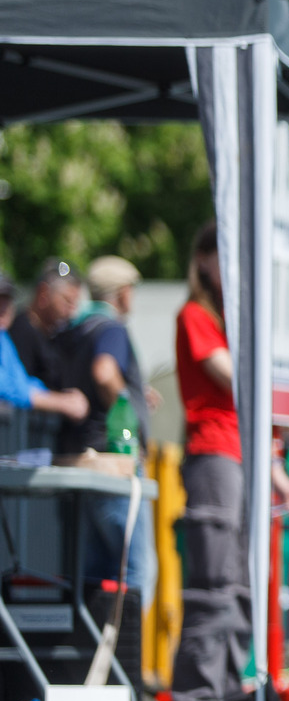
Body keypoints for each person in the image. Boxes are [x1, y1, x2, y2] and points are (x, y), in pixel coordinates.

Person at [171, 223, 289, 701]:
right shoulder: (195, 316)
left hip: (244, 457)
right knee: (213, 581)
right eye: (224, 258)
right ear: (203, 260)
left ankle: (224, 692)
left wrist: (275, 471)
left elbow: (251, 409)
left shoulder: (230, 320)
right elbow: (236, 380)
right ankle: (195, 698)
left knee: (244, 585)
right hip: (214, 457)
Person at [72, 257, 161, 601]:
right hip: (115, 463)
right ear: (122, 293)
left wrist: (136, 393)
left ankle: (93, 654)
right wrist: (128, 409)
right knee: (135, 571)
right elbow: (104, 372)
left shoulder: (76, 329)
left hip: (80, 462)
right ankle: (128, 655)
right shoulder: (111, 328)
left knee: (94, 574)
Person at [9, 259, 85, 450]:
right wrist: (62, 402)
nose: (72, 310)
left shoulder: (56, 334)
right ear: (44, 294)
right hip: (23, 446)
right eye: (67, 301)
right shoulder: (21, 331)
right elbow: (17, 389)